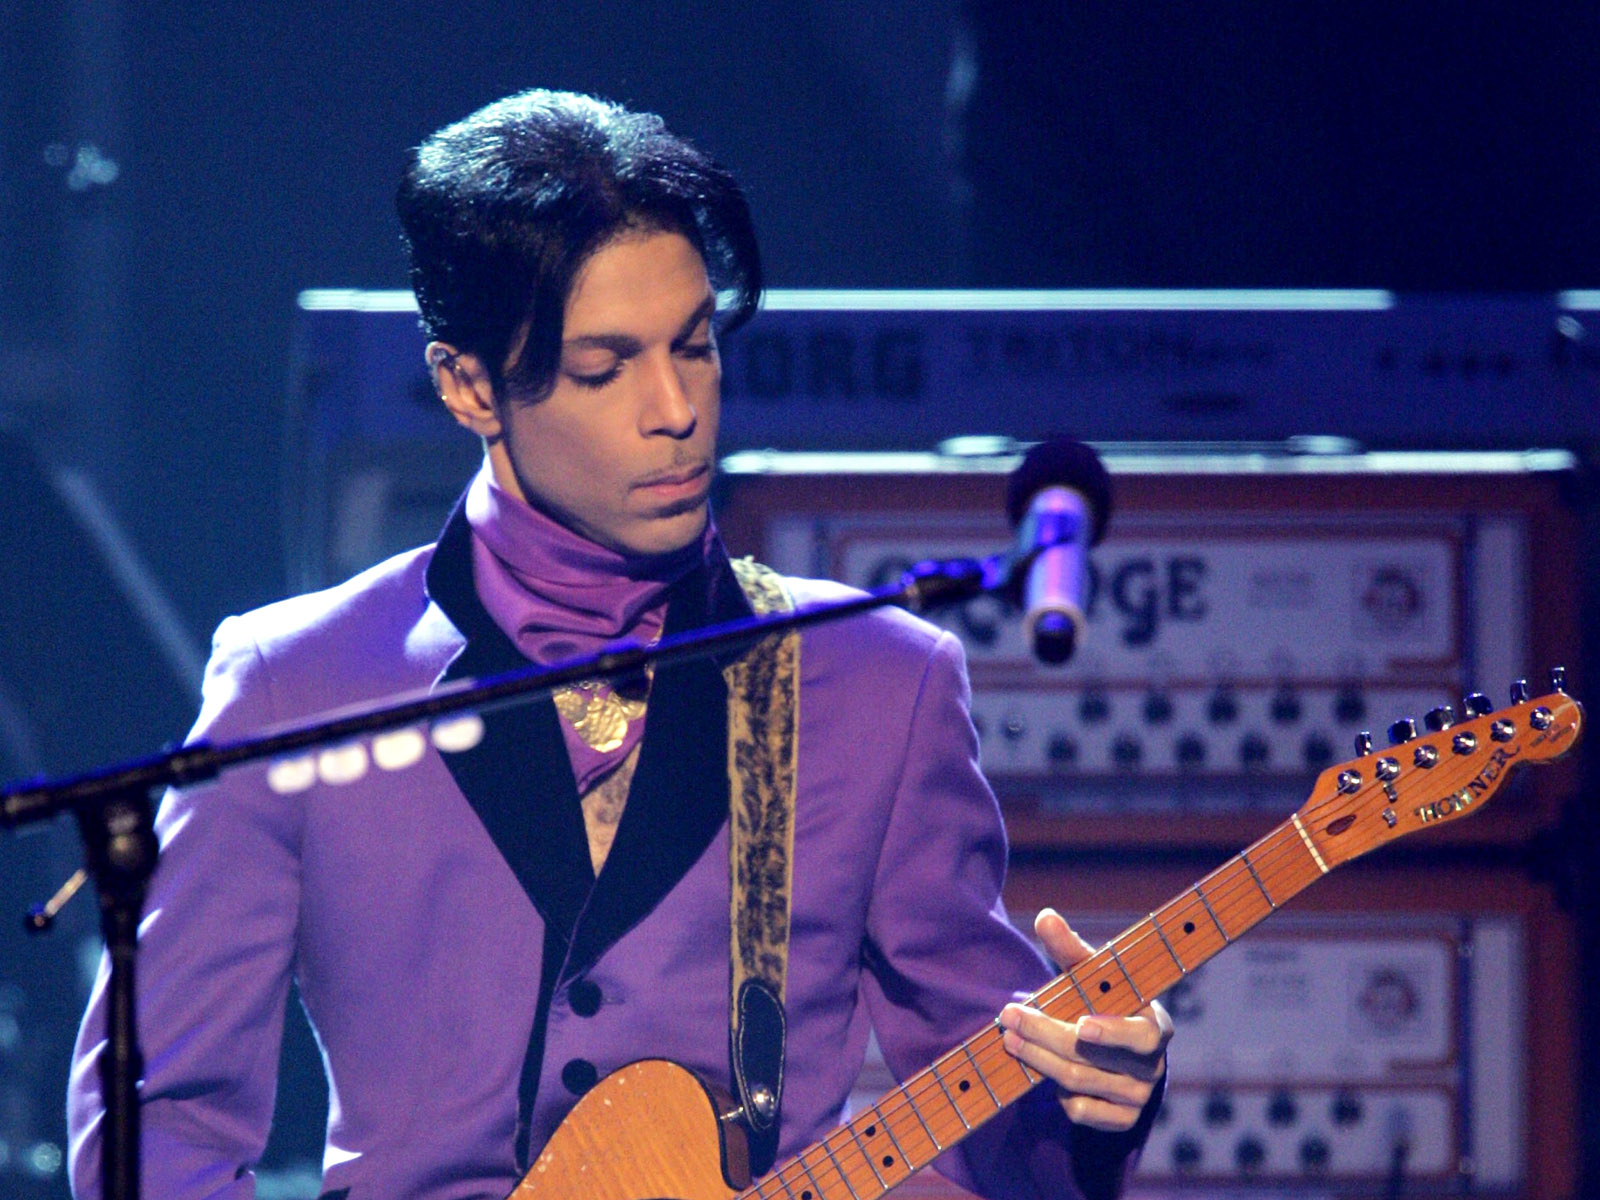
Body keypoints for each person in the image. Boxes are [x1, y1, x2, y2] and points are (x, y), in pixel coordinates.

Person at [68, 89, 1170, 1200]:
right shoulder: (297, 685)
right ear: (466, 387)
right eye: (604, 369)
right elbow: (155, 1123)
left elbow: (997, 1129)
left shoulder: (878, 681)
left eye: (693, 348)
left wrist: (1089, 1111)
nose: (674, 408)